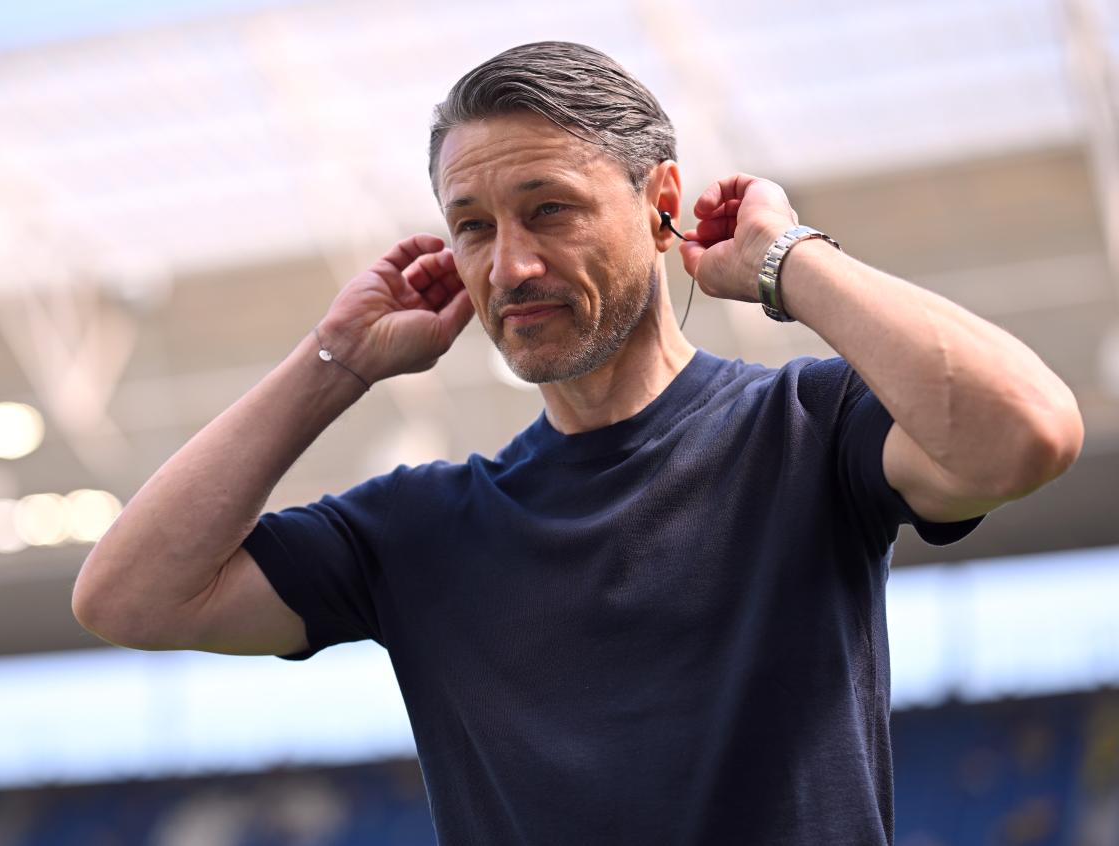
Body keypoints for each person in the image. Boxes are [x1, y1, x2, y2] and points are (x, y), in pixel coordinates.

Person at [72, 41, 1085, 844]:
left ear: (660, 204)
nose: (509, 266)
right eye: (472, 226)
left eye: (548, 209)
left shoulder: (808, 431)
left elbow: (1024, 432)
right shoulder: (419, 529)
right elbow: (127, 597)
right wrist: (335, 360)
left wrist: (785, 260)